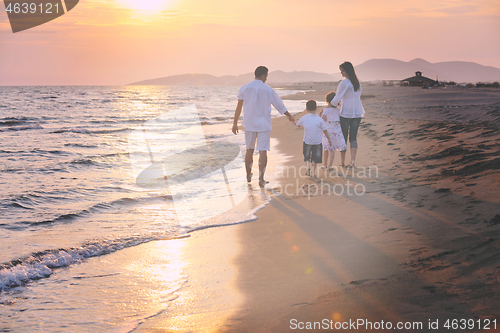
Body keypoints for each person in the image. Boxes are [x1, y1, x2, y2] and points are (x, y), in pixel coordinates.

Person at [232, 66, 295, 187]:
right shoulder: (268, 90)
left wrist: (235, 123)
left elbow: (239, 107)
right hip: (263, 125)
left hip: (249, 124)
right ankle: (261, 179)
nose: (266, 79)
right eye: (266, 76)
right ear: (263, 76)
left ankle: (248, 176)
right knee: (263, 151)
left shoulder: (244, 88)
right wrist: (289, 115)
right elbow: (279, 106)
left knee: (249, 150)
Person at [330, 61, 365, 167]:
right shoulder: (357, 84)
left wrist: (329, 107)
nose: (341, 73)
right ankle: (352, 162)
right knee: (353, 137)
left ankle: (342, 162)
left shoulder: (344, 83)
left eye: (343, 71)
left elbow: (337, 98)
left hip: (346, 113)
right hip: (357, 113)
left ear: (348, 71)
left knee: (344, 137)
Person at [295, 100, 332, 178]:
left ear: (307, 109)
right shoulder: (319, 119)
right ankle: (312, 173)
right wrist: (329, 139)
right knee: (315, 157)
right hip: (317, 142)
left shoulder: (304, 118)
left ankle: (307, 167)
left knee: (306, 155)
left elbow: (298, 124)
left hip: (307, 141)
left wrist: (292, 121)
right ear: (316, 108)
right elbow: (325, 130)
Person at [320, 91, 347, 169]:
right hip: (336, 131)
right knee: (332, 149)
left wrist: (320, 115)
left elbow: (323, 120)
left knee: (326, 149)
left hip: (327, 131)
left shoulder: (326, 110)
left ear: (327, 101)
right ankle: (330, 165)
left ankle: (324, 165)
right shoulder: (339, 110)